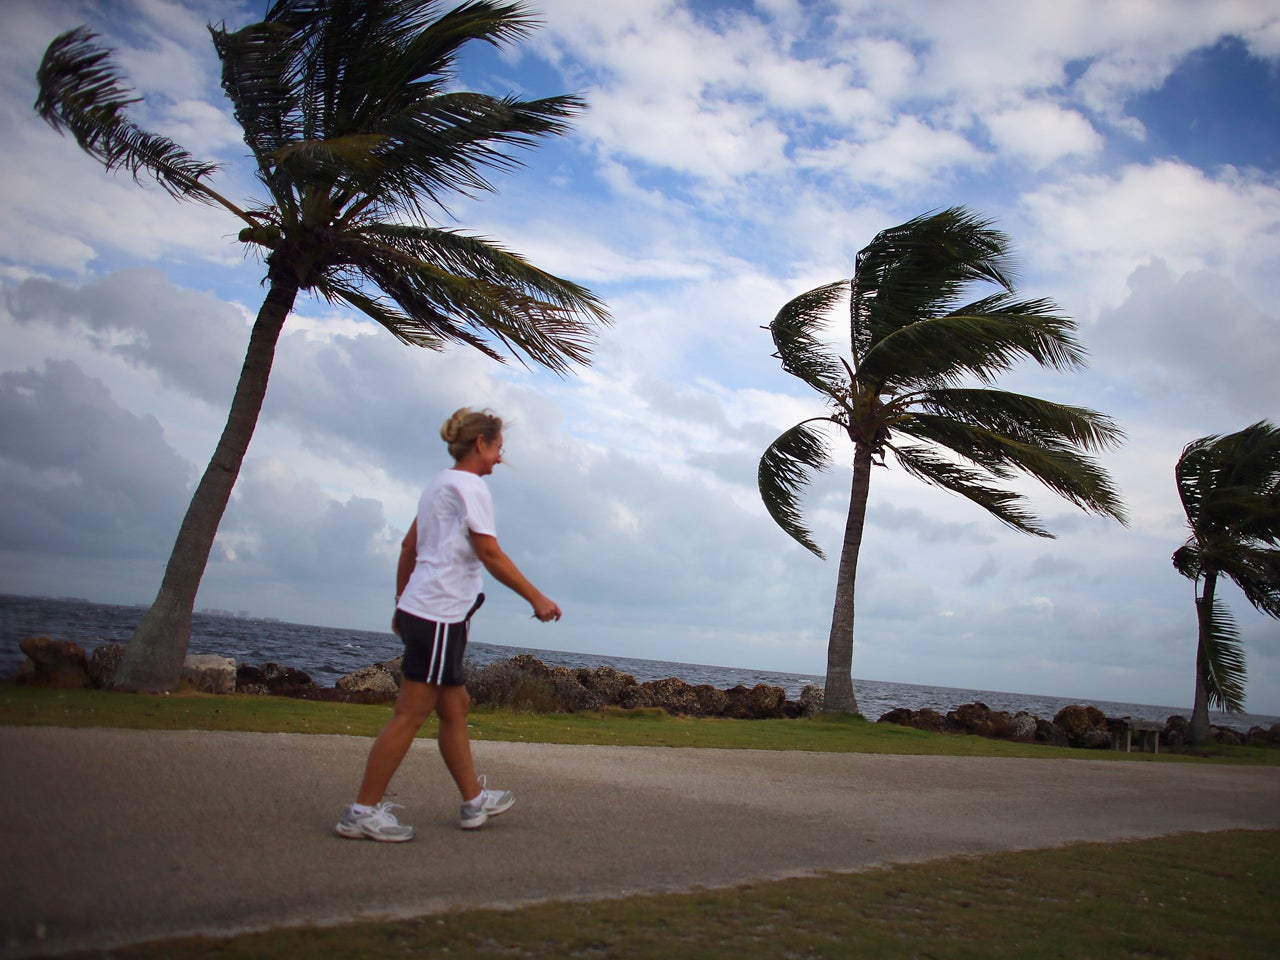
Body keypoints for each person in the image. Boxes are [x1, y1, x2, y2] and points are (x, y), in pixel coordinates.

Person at [336, 408, 561, 841]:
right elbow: (489, 553)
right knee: (409, 716)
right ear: (481, 444)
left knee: (455, 708)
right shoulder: (469, 486)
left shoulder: (439, 484)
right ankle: (361, 811)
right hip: (438, 614)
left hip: (433, 613)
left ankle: (474, 800)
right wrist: (537, 597)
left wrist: (402, 604)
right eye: (498, 447)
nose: (500, 457)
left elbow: (408, 547)